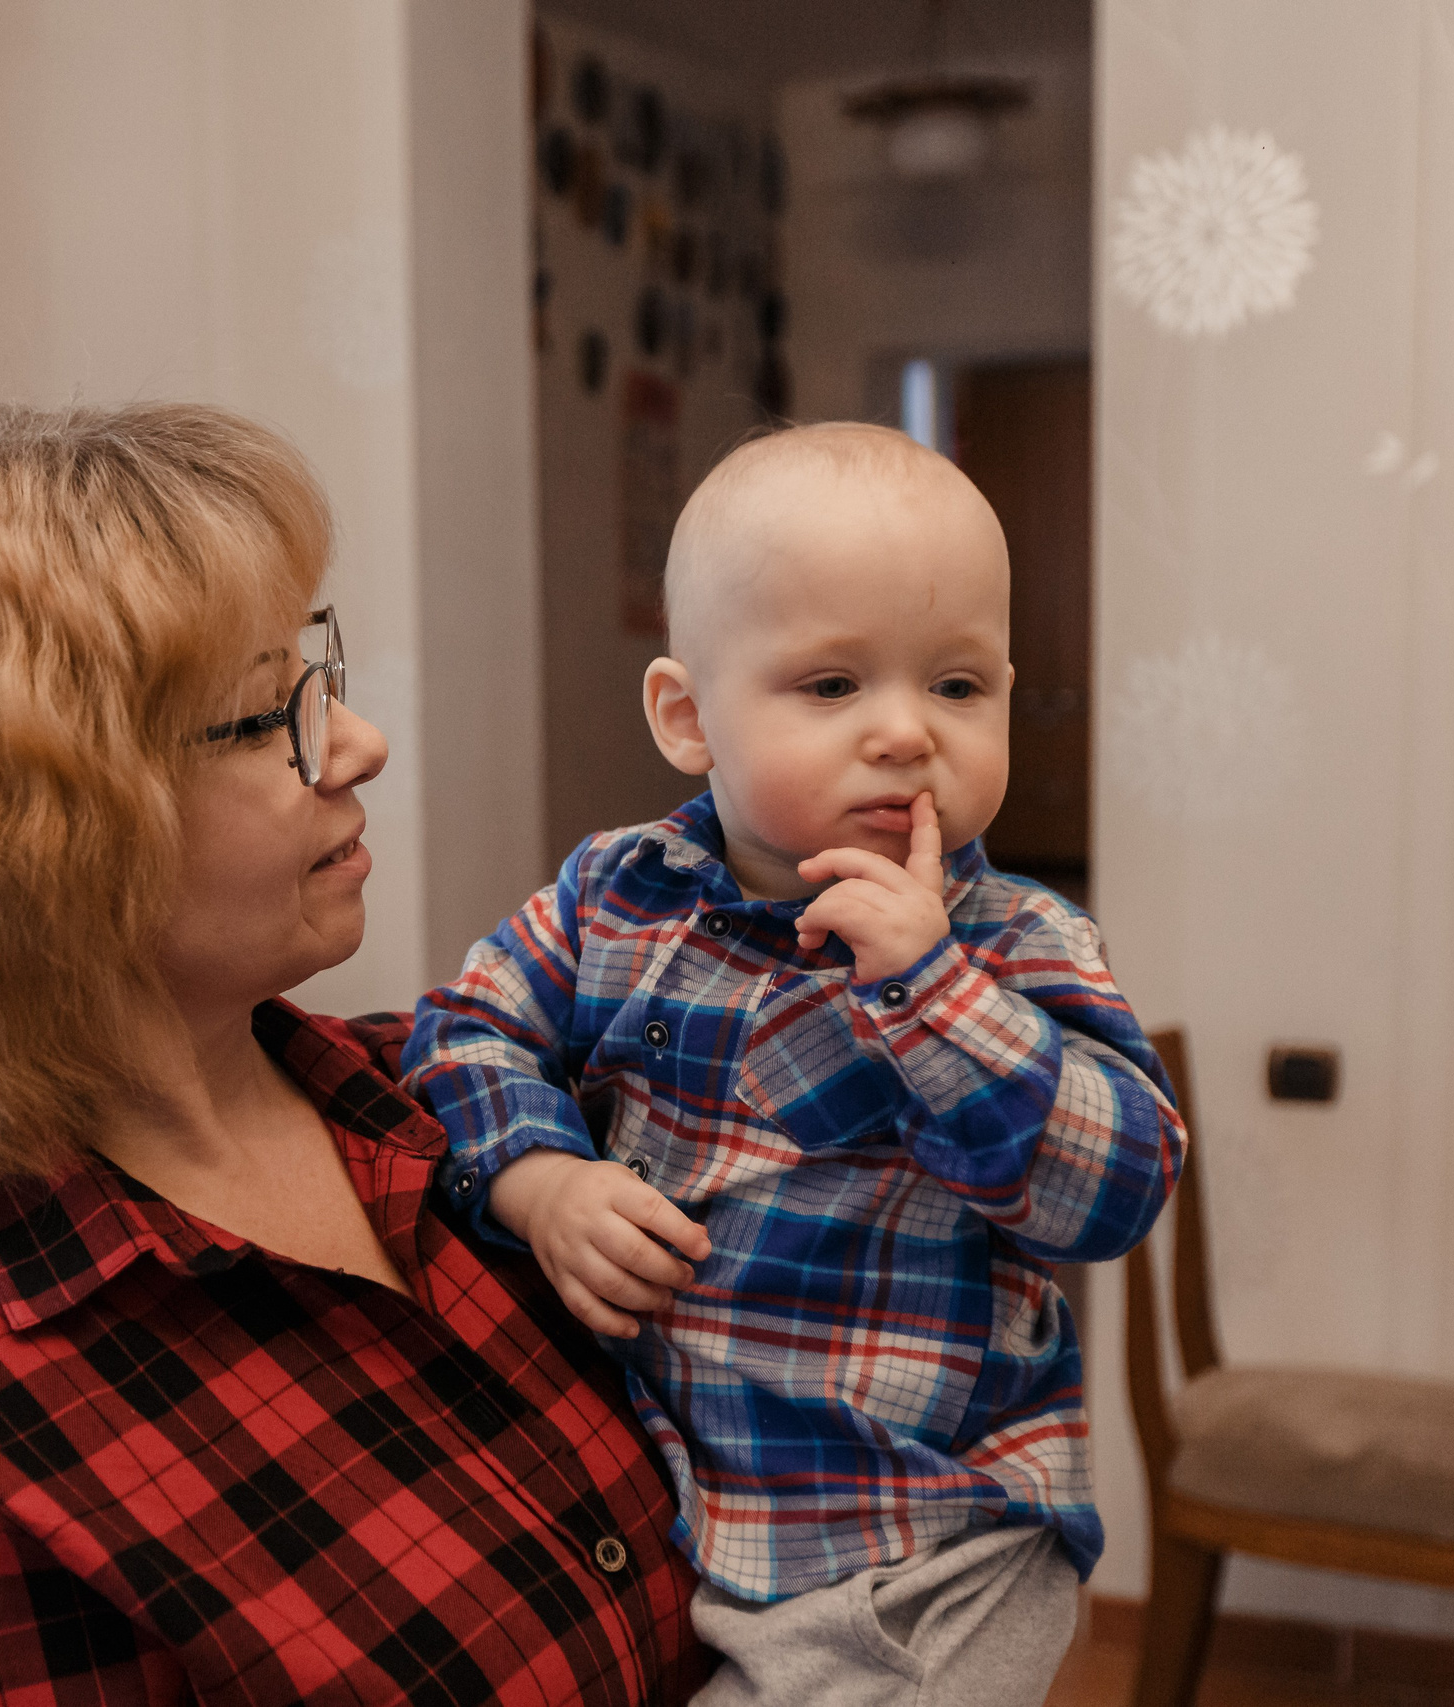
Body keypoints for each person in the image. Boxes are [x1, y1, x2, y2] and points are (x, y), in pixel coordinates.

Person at [0, 403, 710, 1705]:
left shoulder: (469, 1099)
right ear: (27, 839)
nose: (360, 743)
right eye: (267, 714)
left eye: (315, 674)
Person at [404, 423, 1185, 1706]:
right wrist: (538, 1183)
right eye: (831, 686)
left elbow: (1115, 1191)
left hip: (924, 1550)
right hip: (686, 1510)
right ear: (686, 717)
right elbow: (460, 1029)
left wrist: (933, 992)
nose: (905, 733)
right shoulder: (615, 895)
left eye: (956, 686)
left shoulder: (1016, 940)